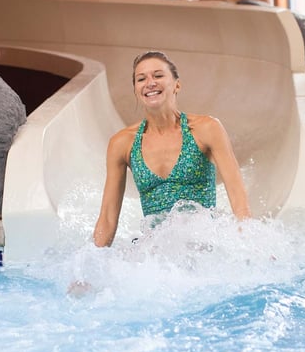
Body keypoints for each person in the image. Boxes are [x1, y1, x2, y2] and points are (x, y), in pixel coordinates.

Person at [91, 50, 252, 247]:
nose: (150, 83)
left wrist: (251, 246)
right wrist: (89, 268)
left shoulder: (206, 129)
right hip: (155, 256)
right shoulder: (123, 143)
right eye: (141, 79)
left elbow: (239, 201)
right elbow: (107, 218)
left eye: (158, 75)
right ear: (136, 90)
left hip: (203, 248)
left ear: (177, 84)